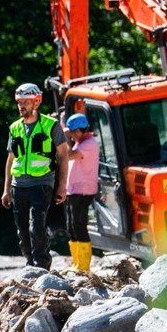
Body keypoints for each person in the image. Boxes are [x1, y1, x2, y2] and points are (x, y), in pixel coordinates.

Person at [1, 82, 69, 269]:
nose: (21, 106)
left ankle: (41, 265)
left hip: (42, 184)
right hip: (18, 186)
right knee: (22, 232)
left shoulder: (51, 125)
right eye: (19, 102)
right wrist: (6, 189)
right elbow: (11, 159)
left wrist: (62, 186)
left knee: (37, 227)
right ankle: (30, 264)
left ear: (37, 102)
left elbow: (64, 156)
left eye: (26, 102)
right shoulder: (15, 128)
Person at [63, 112, 99, 272]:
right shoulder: (81, 142)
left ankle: (84, 267)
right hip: (74, 190)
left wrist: (63, 138)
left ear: (79, 131)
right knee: (71, 226)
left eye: (72, 133)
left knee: (79, 225)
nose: (71, 137)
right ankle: (77, 264)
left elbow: (69, 156)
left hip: (83, 191)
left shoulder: (89, 144)